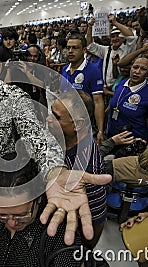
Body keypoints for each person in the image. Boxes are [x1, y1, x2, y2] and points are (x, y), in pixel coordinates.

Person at [0, 39, 111, 245]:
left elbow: (38, 138)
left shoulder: (14, 98)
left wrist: (54, 172)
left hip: (19, 192)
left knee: (26, 240)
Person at [0, 155, 103, 266]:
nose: (11, 223)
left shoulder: (59, 236)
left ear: (39, 197)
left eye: (22, 215)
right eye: (2, 215)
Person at [46, 90, 107, 248]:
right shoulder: (61, 136)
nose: (47, 119)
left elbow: (95, 216)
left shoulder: (87, 166)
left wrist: (85, 251)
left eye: (56, 117)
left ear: (78, 124)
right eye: (51, 112)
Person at [60, 33, 105, 144]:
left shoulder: (93, 70)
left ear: (84, 50)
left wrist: (100, 130)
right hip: (67, 124)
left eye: (75, 48)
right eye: (68, 47)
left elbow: (98, 101)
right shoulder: (64, 69)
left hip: (84, 125)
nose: (70, 51)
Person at [86, 14, 136, 89]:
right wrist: (90, 27)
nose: (115, 38)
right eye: (112, 36)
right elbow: (90, 45)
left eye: (118, 36)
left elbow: (132, 37)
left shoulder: (128, 49)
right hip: (106, 88)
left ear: (123, 38)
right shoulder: (106, 50)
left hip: (122, 87)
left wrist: (115, 23)